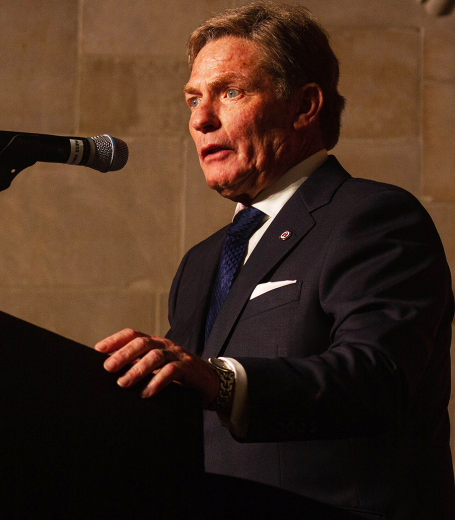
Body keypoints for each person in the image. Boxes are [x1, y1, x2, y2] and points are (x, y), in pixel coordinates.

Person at [95, 3, 455, 518]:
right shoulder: (202, 261)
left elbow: (377, 379)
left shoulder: (373, 217)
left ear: (304, 105)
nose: (200, 119)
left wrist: (221, 381)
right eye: (193, 98)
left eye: (230, 92)